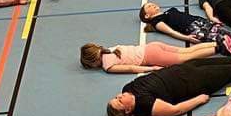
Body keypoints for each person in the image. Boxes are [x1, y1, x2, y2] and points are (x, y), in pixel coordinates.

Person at [106, 52, 231, 116]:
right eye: (119, 101)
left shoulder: (127, 88)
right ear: (128, 110)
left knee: (227, 61)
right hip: (193, 83)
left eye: (116, 97)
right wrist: (198, 100)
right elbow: (176, 109)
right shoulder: (145, 107)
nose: (119, 96)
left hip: (184, 69)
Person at [139, 2, 231, 52]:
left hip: (200, 21)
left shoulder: (169, 11)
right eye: (149, 6)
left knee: (227, 34)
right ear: (147, 15)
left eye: (151, 3)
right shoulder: (156, 22)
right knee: (222, 40)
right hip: (193, 28)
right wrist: (187, 38)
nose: (152, 4)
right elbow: (171, 32)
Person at [79, 39, 222, 74]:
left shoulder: (107, 66)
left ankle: (219, 48)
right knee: (186, 51)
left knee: (186, 58)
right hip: (151, 46)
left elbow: (131, 68)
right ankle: (216, 42)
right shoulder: (109, 49)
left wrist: (152, 68)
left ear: (93, 61)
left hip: (151, 56)